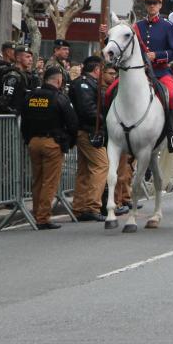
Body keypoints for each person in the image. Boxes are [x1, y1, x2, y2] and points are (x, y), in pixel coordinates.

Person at [20, 66, 79, 229]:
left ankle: (37, 213)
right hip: (52, 143)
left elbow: (24, 120)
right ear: (59, 80)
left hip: (33, 142)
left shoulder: (30, 96)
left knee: (37, 180)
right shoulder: (59, 97)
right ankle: (43, 218)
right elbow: (72, 123)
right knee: (49, 182)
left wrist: (28, 139)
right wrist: (69, 142)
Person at [135, 0, 173, 151]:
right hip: (138, 72)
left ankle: (172, 135)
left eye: (155, 3)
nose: (152, 6)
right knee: (111, 90)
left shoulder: (167, 26)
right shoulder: (137, 27)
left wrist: (156, 55)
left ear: (160, 5)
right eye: (149, 3)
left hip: (160, 72)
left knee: (172, 95)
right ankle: (105, 131)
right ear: (145, 5)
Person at [68, 56, 109, 221]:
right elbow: (88, 110)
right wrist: (106, 119)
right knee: (101, 165)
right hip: (88, 130)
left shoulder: (88, 83)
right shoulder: (83, 84)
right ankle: (92, 206)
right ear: (97, 69)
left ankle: (80, 207)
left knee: (85, 170)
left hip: (88, 130)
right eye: (103, 70)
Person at [99, 63, 131, 214]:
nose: (113, 76)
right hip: (112, 134)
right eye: (110, 73)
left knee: (122, 171)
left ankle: (119, 200)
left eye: (114, 74)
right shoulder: (107, 89)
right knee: (113, 170)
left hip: (122, 135)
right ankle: (113, 202)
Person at [0, 45, 39, 115]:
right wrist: (15, 113)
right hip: (9, 119)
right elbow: (4, 102)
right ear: (18, 58)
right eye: (27, 57)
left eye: (31, 57)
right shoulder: (13, 76)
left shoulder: (25, 75)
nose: (31, 59)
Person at [0, 41, 17, 111]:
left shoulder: (12, 68)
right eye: (15, 51)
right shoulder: (0, 69)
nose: (17, 54)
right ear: (8, 52)